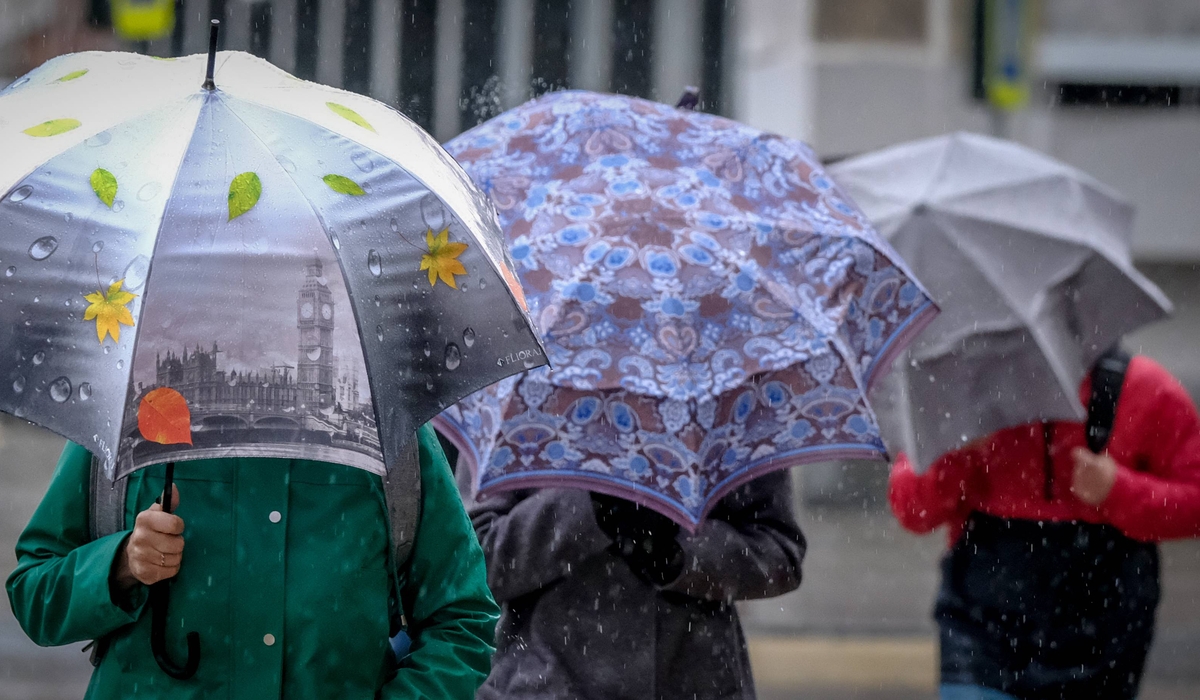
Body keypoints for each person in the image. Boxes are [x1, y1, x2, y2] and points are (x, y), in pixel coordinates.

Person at [7, 424, 499, 699]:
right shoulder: (134, 418)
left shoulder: (388, 433)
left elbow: (462, 619)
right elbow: (35, 593)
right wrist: (119, 565)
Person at [889, 353, 1200, 700]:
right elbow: (911, 510)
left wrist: (1117, 490)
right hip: (983, 623)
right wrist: (953, 453)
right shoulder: (962, 393)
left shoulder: (1141, 387)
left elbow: (1194, 502)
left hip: (1103, 627)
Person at [455, 462, 805, 700]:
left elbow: (779, 553)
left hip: (696, 680)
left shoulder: (725, 388)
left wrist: (677, 555)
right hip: (543, 685)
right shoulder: (523, 388)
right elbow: (473, 562)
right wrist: (587, 508)